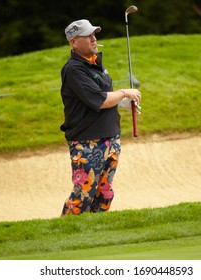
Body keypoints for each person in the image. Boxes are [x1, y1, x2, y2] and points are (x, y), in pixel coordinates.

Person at [59, 19, 141, 216]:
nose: (94, 38)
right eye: (88, 35)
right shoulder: (73, 70)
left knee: (105, 194)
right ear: (74, 42)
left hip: (110, 138)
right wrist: (124, 93)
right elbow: (100, 100)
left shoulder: (97, 65)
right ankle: (64, 235)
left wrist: (123, 102)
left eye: (94, 34)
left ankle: (95, 234)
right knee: (83, 195)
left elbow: (104, 97)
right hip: (87, 142)